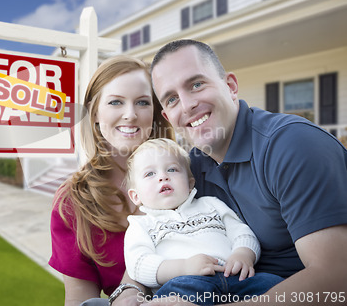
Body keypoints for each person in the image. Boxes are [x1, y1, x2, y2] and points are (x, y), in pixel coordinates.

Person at [139, 39, 347, 305]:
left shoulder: (293, 145)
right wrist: (129, 290)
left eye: (196, 84)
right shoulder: (189, 171)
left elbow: (336, 277)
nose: (187, 104)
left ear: (230, 86)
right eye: (172, 99)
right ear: (168, 116)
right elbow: (149, 229)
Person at [49, 55, 174, 305]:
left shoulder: (186, 174)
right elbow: (80, 300)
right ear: (94, 113)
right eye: (116, 102)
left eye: (142, 102)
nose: (130, 114)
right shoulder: (73, 202)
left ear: (155, 112)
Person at [124, 138, 282, 305]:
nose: (163, 177)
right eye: (150, 174)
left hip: (235, 277)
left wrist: (243, 253)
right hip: (186, 283)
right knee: (170, 299)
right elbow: (139, 264)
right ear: (136, 196)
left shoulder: (211, 204)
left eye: (172, 169)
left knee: (274, 285)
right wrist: (184, 267)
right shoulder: (140, 225)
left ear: (190, 183)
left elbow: (241, 231)